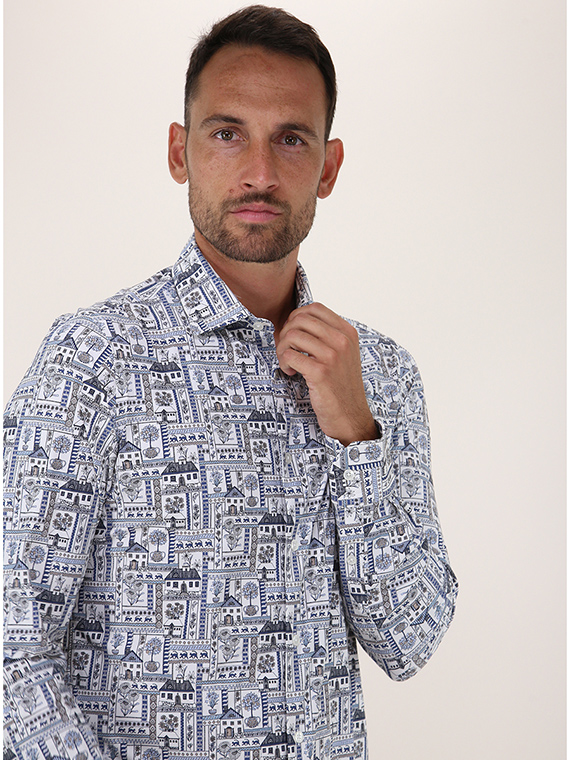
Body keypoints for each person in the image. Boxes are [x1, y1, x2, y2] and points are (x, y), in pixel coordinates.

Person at [3, 6, 458, 760]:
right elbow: (13, 652)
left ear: (329, 167)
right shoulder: (96, 359)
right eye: (226, 133)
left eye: (291, 138)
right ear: (178, 151)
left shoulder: (380, 376)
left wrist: (357, 437)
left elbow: (409, 639)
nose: (260, 173)